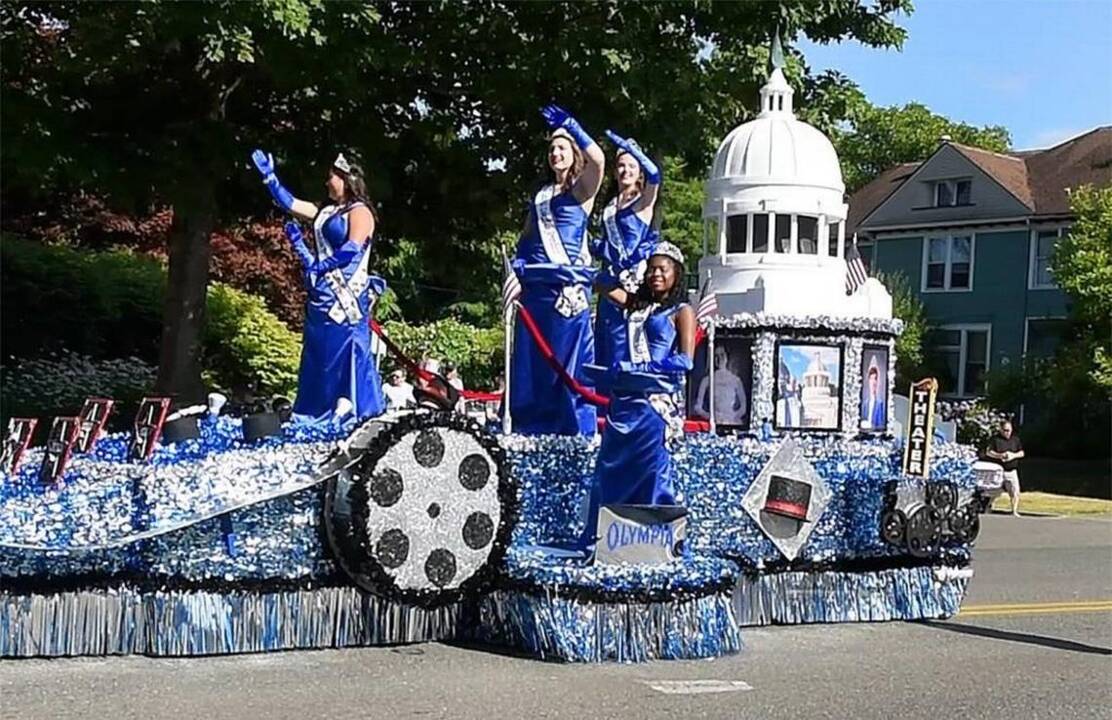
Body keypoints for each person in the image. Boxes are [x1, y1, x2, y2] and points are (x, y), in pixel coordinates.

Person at [250, 149, 387, 422]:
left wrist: (320, 267)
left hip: (345, 297)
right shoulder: (325, 211)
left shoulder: (361, 212)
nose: (327, 183)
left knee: (345, 348)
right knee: (318, 352)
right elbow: (290, 204)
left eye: (331, 178)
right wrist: (270, 179)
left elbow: (351, 249)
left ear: (346, 179)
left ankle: (351, 408)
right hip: (320, 296)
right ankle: (313, 411)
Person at [580, 241, 696, 551]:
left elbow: (686, 361)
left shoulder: (682, 311)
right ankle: (604, 540)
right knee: (610, 470)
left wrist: (640, 364)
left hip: (652, 406)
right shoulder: (637, 305)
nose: (656, 274)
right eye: (652, 268)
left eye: (663, 269)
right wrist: (593, 261)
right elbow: (604, 285)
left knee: (651, 472)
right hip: (624, 404)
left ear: (677, 274)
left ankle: (656, 542)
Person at [510, 105, 605, 436]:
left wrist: (572, 126)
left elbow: (599, 161)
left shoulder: (581, 191)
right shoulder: (541, 195)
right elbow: (527, 235)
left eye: (562, 146)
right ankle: (533, 426)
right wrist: (518, 265)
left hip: (565, 291)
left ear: (573, 152)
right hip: (537, 289)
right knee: (534, 362)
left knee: (565, 363)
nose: (555, 152)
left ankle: (570, 430)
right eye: (551, 147)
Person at [593, 130, 661, 371]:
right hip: (610, 284)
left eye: (631, 166)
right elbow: (606, 246)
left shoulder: (643, 200)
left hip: (634, 283)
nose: (626, 171)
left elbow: (655, 175)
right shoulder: (610, 206)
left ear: (639, 169)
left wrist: (637, 153)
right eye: (621, 165)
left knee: (629, 343)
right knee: (606, 343)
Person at [694, 344, 748, 426]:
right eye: (716, 356)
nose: (719, 359)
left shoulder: (736, 380)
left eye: (722, 355)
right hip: (714, 422)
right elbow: (698, 407)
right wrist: (712, 417)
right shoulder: (706, 380)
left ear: (727, 357)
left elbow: (743, 407)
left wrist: (733, 417)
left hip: (732, 422)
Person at [983, 419, 1025, 516]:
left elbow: (1021, 453)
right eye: (1005, 430)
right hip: (998, 470)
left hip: (1011, 470)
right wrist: (1000, 455)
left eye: (1009, 430)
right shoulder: (995, 440)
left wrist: (1013, 455)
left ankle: (1014, 510)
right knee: (993, 491)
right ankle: (988, 507)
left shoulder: (1015, 439)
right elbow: (989, 452)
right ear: (1001, 430)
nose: (1008, 432)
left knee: (1015, 491)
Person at [860, 359, 886, 431]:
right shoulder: (865, 403)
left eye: (875, 379)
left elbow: (880, 426)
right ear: (868, 381)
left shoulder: (879, 403)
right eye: (871, 379)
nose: (873, 382)